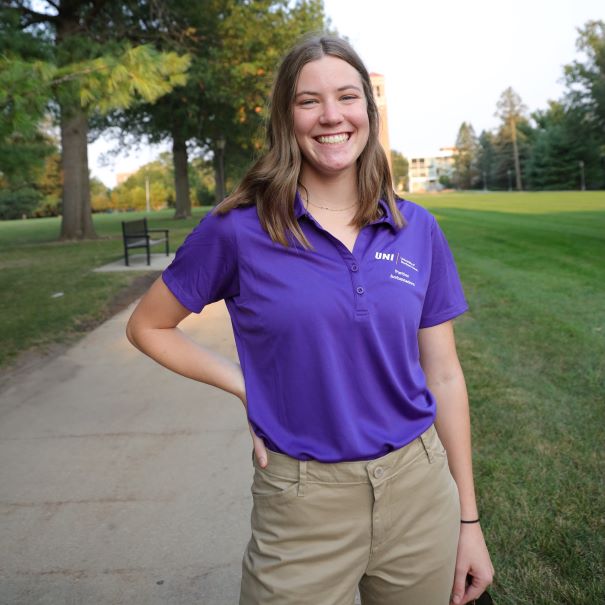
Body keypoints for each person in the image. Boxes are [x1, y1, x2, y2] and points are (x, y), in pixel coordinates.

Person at [126, 34, 494, 605]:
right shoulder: (238, 230)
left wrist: (468, 522)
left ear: (368, 113)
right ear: (285, 117)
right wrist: (245, 386)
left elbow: (444, 375)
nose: (331, 116)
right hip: (302, 501)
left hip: (420, 490)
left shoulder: (416, 228)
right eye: (308, 101)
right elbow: (148, 326)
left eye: (348, 97)